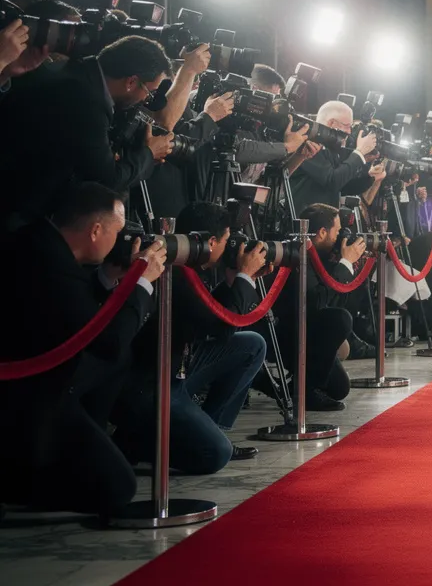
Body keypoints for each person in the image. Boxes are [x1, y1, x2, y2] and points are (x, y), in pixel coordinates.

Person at [0, 182, 167, 514]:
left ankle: (86, 434)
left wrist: (110, 278)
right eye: (118, 232)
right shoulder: (48, 262)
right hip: (24, 394)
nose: (122, 240)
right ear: (95, 230)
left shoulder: (39, 241)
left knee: (118, 362)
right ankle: (15, 480)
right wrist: (142, 282)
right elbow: (107, 342)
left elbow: (79, 312)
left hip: (42, 376)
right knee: (117, 488)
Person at [113, 202, 268, 473]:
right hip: (153, 383)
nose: (230, 248)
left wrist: (235, 279)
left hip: (180, 366)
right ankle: (137, 442)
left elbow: (207, 313)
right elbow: (222, 326)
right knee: (215, 454)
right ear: (210, 242)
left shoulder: (189, 267)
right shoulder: (174, 272)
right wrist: (243, 276)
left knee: (252, 345)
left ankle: (210, 425)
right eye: (227, 241)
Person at [0, 35, 176, 231]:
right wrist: (149, 153)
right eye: (149, 93)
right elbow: (107, 179)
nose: (145, 101)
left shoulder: (76, 70)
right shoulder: (87, 101)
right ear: (131, 82)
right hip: (15, 210)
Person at [267, 203, 361, 411]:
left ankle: (293, 387)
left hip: (308, 330)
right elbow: (316, 302)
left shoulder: (321, 255)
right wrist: (345, 264)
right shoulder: (299, 254)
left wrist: (344, 263)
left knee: (339, 388)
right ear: (322, 232)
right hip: (288, 336)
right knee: (340, 319)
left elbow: (335, 301)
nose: (339, 237)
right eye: (337, 231)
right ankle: (305, 392)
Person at [288, 99, 382, 212]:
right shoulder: (309, 143)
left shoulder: (331, 149)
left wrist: (369, 174)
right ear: (332, 123)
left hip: (325, 218)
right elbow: (332, 181)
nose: (349, 132)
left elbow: (344, 186)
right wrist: (359, 152)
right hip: (304, 218)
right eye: (347, 126)